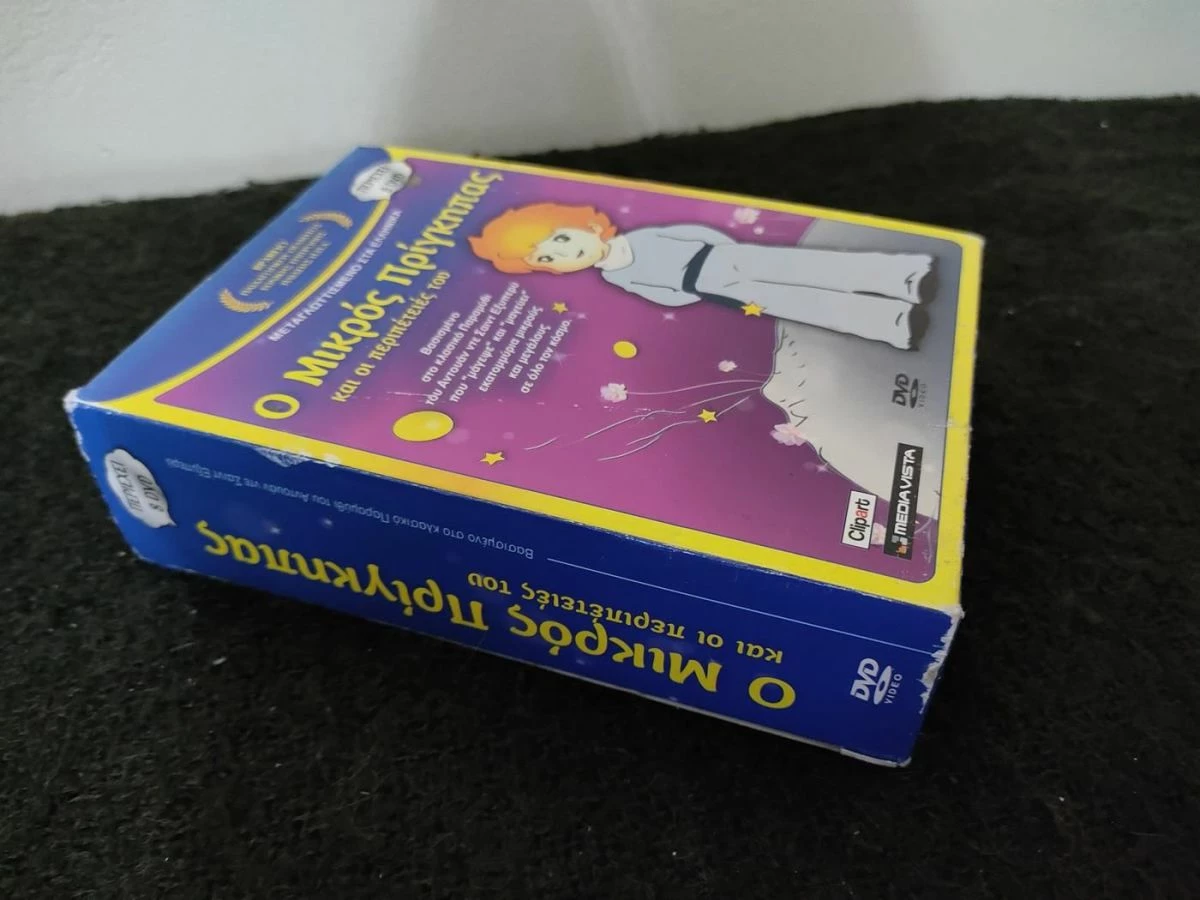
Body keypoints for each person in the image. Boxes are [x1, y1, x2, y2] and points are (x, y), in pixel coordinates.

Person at [468, 202, 934, 350]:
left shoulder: (641, 236)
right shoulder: (614, 278)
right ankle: (891, 322)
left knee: (809, 269)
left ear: (586, 225)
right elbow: (660, 296)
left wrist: (722, 252)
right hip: (707, 285)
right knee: (800, 303)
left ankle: (903, 276)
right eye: (547, 259)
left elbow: (690, 232)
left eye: (559, 239)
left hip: (723, 257)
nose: (562, 254)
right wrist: (693, 291)